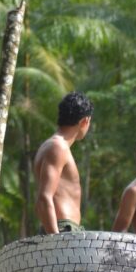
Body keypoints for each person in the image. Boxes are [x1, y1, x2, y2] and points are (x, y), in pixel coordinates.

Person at [33, 91, 93, 234]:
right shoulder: (58, 147)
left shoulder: (54, 146)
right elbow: (44, 197)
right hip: (61, 230)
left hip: (63, 230)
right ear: (85, 121)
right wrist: (56, 241)